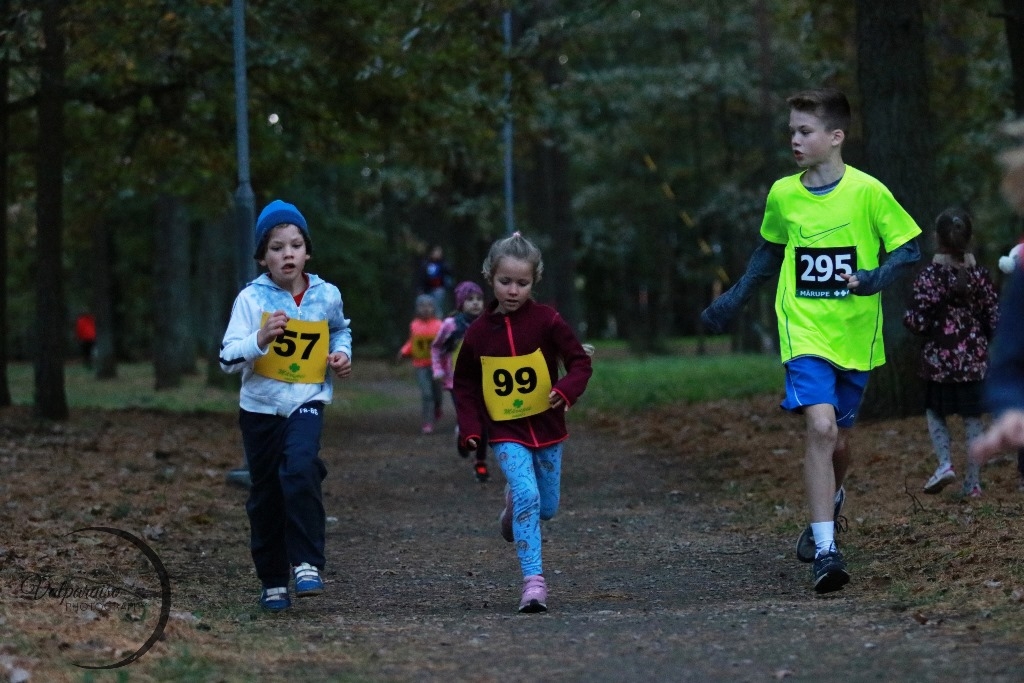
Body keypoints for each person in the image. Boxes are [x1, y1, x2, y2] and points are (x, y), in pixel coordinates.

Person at [700, 87, 922, 593]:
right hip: (802, 329)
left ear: (835, 137)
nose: (795, 140)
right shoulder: (783, 193)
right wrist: (731, 301)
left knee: (841, 442)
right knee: (820, 428)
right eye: (792, 132)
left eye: (805, 131)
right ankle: (826, 550)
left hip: (856, 335)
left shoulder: (868, 191)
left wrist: (873, 279)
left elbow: (908, 250)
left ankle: (832, 498)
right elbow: (767, 254)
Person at [219, 199, 353, 612]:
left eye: (295, 244)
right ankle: (273, 579)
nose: (287, 253)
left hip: (307, 399)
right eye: (276, 247)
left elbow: (339, 330)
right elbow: (227, 358)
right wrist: (259, 340)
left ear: (307, 251)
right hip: (260, 408)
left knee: (297, 468)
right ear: (263, 257)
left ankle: (308, 563)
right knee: (266, 495)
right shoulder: (251, 300)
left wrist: (341, 355)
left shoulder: (326, 294)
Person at [453, 232, 593, 613]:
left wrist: (565, 390)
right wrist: (470, 429)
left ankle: (512, 508)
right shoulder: (478, 334)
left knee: (546, 506)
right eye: (505, 282)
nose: (513, 291)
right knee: (529, 496)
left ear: (535, 282)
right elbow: (463, 384)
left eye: (522, 283)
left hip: (548, 428)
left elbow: (580, 361)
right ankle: (533, 582)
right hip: (505, 431)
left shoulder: (547, 321)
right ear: (489, 277)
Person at [902, 208, 999, 497]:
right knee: (972, 419)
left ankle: (945, 464)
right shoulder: (980, 276)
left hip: (938, 363)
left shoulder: (930, 277)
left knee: (935, 412)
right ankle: (974, 483)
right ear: (969, 238)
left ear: (936, 238)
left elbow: (917, 321)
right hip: (974, 362)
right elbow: (994, 318)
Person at [431, 280, 489, 481]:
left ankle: (480, 463)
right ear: (460, 303)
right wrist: (438, 369)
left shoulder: (487, 323)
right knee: (468, 419)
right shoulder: (450, 325)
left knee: (484, 423)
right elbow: (437, 347)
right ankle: (463, 436)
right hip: (457, 382)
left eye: (479, 299)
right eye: (470, 299)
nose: (475, 303)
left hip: (484, 382)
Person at [400, 294, 443, 434]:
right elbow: (412, 342)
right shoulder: (414, 325)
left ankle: (438, 407)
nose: (425, 309)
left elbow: (444, 343)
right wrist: (403, 351)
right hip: (420, 365)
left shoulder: (439, 325)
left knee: (437, 393)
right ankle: (427, 423)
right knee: (426, 394)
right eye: (422, 306)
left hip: (436, 365)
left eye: (429, 306)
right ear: (417, 308)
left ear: (434, 308)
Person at [419, 245, 454, 315]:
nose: (438, 253)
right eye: (436, 251)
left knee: (438, 307)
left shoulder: (443, 264)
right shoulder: (426, 264)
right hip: (428, 290)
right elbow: (422, 277)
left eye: (439, 252)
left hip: (439, 289)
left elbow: (449, 274)